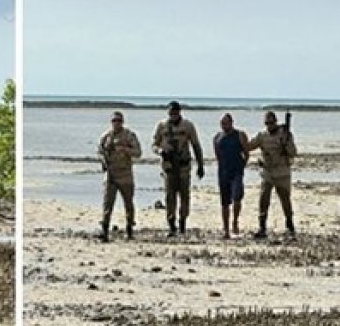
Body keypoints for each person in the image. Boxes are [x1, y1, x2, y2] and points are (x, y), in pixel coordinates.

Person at [151, 101, 205, 236]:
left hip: (183, 166)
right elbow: (154, 145)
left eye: (175, 112)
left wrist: (200, 165)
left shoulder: (188, 126)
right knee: (170, 196)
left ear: (179, 112)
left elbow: (196, 145)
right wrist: (160, 151)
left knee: (184, 195)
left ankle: (182, 223)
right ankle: (171, 225)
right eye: (171, 112)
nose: (173, 115)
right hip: (168, 167)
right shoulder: (162, 126)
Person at [247, 110, 298, 239]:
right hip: (268, 172)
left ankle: (289, 224)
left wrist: (287, 141)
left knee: (285, 199)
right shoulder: (262, 136)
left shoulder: (284, 134)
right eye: (267, 123)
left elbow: (293, 152)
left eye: (271, 123)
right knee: (263, 199)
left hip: (282, 172)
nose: (269, 126)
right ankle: (262, 226)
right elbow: (249, 146)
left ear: (275, 122)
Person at [97, 111, 142, 241]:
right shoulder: (106, 136)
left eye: (118, 121)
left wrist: (125, 150)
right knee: (107, 203)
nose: (116, 123)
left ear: (122, 122)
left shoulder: (129, 135)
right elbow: (99, 151)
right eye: (114, 120)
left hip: (125, 174)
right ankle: (104, 230)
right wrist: (103, 160)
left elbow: (138, 152)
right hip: (110, 174)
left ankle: (129, 229)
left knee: (128, 203)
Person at [213, 113, 250, 239]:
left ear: (231, 122)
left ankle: (235, 221)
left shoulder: (240, 135)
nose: (224, 125)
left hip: (236, 172)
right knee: (224, 203)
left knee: (237, 198)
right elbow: (218, 155)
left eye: (226, 123)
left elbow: (246, 153)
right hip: (223, 173)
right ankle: (226, 229)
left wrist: (242, 166)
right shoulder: (217, 137)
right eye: (222, 123)